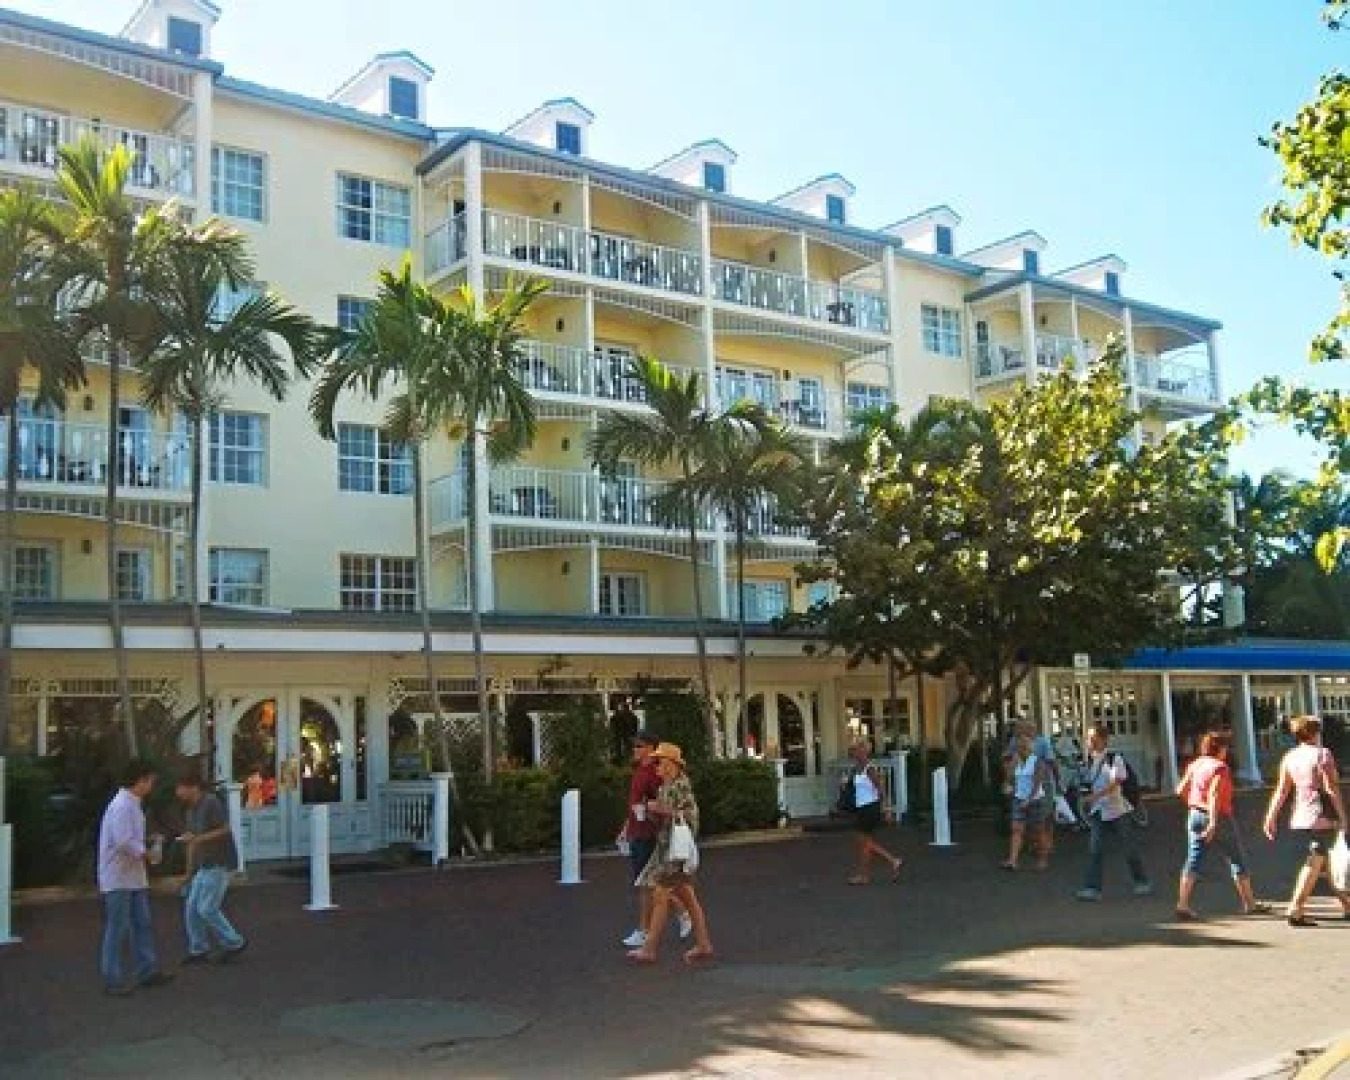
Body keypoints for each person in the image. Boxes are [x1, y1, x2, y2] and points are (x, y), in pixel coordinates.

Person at [626, 742, 715, 965]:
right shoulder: (667, 785)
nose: (656, 765)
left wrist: (657, 809)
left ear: (670, 764)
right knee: (687, 896)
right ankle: (703, 944)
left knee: (660, 896)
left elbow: (684, 813)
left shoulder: (679, 785)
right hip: (671, 848)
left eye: (660, 761)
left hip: (673, 851)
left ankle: (649, 949)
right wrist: (652, 812)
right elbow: (667, 817)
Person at [1261, 714, 1350, 927]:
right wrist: (1343, 817)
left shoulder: (1291, 756)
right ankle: (1296, 907)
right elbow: (1331, 788)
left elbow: (1282, 790)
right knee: (1317, 859)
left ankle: (1347, 905)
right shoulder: (1323, 755)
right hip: (1323, 814)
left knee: (1327, 860)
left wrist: (1271, 816)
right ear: (1314, 733)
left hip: (1302, 813)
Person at [97, 758, 173, 996]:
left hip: (130, 876)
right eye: (149, 781)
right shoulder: (122, 805)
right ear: (140, 780)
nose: (151, 786)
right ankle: (113, 979)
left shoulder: (131, 804)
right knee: (118, 928)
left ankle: (146, 970)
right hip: (119, 877)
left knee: (141, 924)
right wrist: (146, 853)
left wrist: (145, 847)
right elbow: (122, 841)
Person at [1174, 731, 1269, 920]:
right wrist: (1213, 821)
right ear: (1221, 749)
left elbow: (1180, 789)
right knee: (1236, 858)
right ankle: (1249, 903)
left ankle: (1182, 904)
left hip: (1194, 814)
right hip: (1218, 816)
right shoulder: (1220, 768)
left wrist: (1195, 802)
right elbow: (1215, 794)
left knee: (1193, 859)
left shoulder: (1196, 764)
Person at [617, 730, 691, 949]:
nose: (635, 750)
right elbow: (635, 802)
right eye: (635, 746)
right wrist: (627, 826)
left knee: (649, 884)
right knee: (649, 884)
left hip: (648, 833)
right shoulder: (641, 770)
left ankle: (648, 930)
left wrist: (650, 812)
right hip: (638, 831)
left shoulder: (654, 774)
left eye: (640, 746)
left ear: (650, 748)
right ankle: (678, 915)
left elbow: (663, 804)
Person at [175, 769, 247, 964]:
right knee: (191, 907)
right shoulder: (191, 809)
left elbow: (224, 829)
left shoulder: (210, 802)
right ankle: (198, 948)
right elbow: (192, 842)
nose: (178, 792)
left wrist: (198, 839)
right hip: (204, 864)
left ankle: (234, 942)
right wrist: (188, 873)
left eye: (181, 787)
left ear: (193, 787)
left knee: (207, 908)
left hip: (219, 861)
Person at [1075, 727, 1152, 901]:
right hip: (1098, 811)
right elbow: (1088, 783)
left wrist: (1094, 796)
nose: (1090, 742)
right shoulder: (1089, 761)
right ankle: (1092, 888)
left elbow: (1116, 782)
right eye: (1088, 738)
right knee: (1095, 849)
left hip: (1117, 810)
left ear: (1104, 740)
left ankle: (1141, 880)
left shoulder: (1114, 759)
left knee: (1128, 848)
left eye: (1094, 738)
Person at [843, 741, 903, 885]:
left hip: (870, 808)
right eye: (854, 750)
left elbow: (881, 788)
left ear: (864, 752)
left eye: (857, 750)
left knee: (864, 842)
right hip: (862, 808)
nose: (854, 753)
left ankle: (890, 861)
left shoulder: (870, 769)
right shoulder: (857, 768)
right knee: (865, 843)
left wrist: (887, 809)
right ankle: (869, 873)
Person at [1001, 729, 1051, 871]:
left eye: (1025, 743)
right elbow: (1009, 778)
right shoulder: (1016, 760)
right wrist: (1007, 784)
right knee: (1016, 829)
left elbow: (1036, 784)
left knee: (1038, 830)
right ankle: (1012, 860)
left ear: (1031, 746)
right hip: (1018, 798)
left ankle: (1042, 858)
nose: (1022, 746)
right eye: (1020, 743)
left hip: (1035, 799)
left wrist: (1028, 800)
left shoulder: (1037, 762)